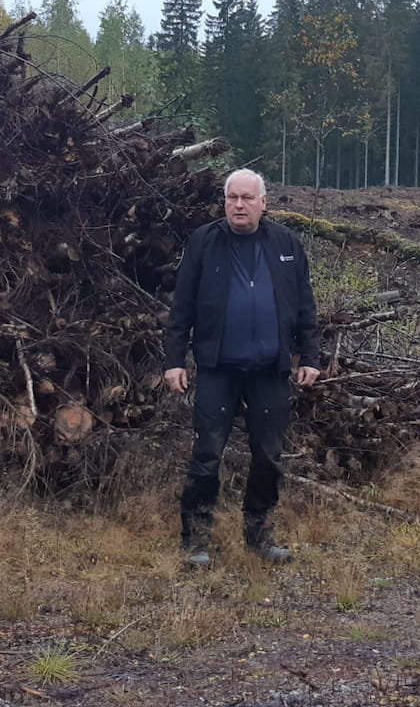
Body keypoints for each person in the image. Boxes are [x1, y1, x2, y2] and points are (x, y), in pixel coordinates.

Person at [164, 168, 321, 566]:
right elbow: (182, 306)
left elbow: (304, 304)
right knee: (206, 455)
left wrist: (311, 356)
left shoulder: (286, 243)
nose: (238, 205)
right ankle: (196, 541)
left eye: (247, 198)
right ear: (225, 201)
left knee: (268, 458)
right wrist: (174, 361)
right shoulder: (204, 241)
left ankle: (259, 536)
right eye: (232, 197)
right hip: (219, 368)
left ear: (263, 203)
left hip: (270, 370)